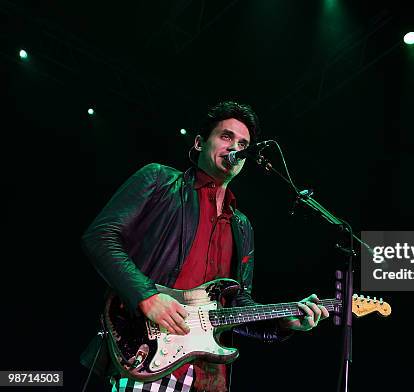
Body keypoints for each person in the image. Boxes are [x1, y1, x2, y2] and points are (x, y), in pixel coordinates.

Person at [80, 101, 329, 392]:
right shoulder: (159, 180)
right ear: (199, 142)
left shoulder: (242, 225)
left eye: (243, 143)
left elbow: (237, 305)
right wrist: (146, 296)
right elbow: (100, 236)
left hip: (210, 377)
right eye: (226, 137)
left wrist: (282, 323)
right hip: (147, 358)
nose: (234, 147)